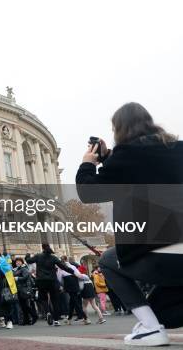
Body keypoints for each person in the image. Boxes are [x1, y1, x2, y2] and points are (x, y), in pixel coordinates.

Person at [76, 102, 183, 346]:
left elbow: (88, 193)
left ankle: (151, 328)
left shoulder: (126, 157)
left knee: (107, 261)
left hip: (159, 253)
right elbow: (149, 170)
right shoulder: (178, 149)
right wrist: (111, 159)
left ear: (119, 129)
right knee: (163, 310)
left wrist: (88, 164)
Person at [25, 244, 74, 326]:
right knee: (55, 300)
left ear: (43, 248)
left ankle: (47, 312)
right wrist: (72, 272)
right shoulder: (53, 257)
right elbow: (63, 266)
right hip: (52, 281)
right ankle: (56, 320)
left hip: (41, 281)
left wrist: (27, 255)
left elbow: (28, 260)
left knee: (43, 298)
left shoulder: (38, 256)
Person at [13, 257, 37, 325]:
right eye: (16, 262)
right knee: (22, 305)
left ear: (22, 262)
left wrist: (17, 278)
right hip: (19, 289)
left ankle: (33, 316)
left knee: (25, 305)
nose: (17, 263)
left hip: (24, 289)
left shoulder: (24, 269)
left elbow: (25, 277)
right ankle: (26, 320)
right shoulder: (16, 269)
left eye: (19, 261)